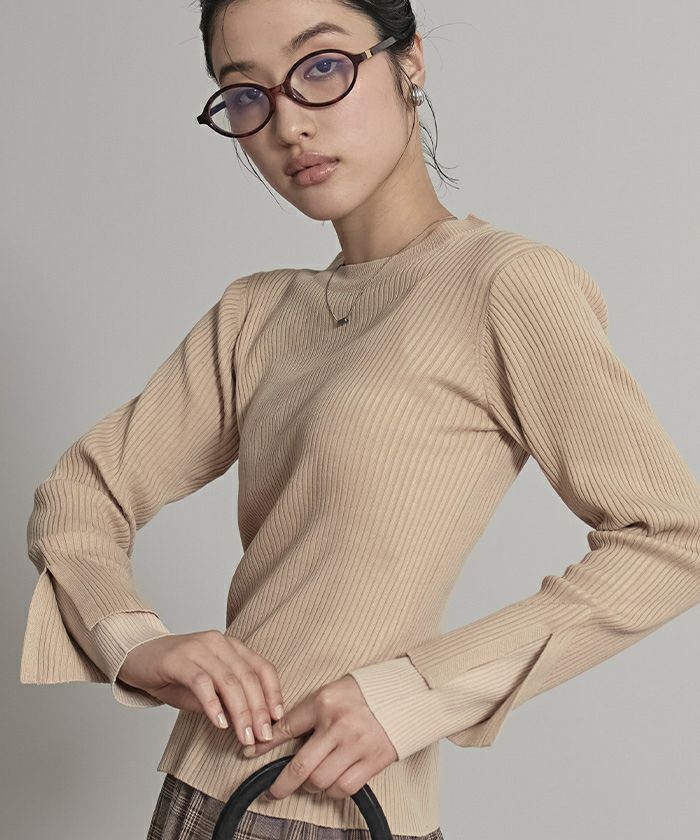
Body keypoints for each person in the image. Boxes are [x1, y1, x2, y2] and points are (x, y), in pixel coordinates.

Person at [19, 1, 700, 839]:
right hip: (201, 794)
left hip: (345, 809)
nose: (289, 126)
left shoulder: (503, 284)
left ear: (409, 59)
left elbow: (672, 539)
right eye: (247, 94)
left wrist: (415, 692)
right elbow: (81, 494)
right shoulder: (257, 313)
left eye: (321, 67)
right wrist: (132, 642)